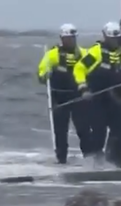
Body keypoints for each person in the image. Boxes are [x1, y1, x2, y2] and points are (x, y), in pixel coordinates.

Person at [73, 21, 121, 168]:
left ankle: (117, 161)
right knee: (99, 131)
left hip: (116, 98)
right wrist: (83, 89)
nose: (114, 41)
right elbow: (79, 69)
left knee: (119, 130)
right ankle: (95, 161)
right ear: (105, 36)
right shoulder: (96, 52)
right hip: (97, 98)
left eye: (116, 38)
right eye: (111, 38)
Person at [37, 23, 91, 164]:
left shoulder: (84, 54)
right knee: (60, 133)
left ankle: (90, 159)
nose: (70, 41)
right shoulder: (52, 55)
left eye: (72, 38)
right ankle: (61, 159)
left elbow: (93, 69)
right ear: (61, 38)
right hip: (60, 99)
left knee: (84, 130)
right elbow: (41, 73)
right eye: (67, 38)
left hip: (78, 97)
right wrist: (45, 75)